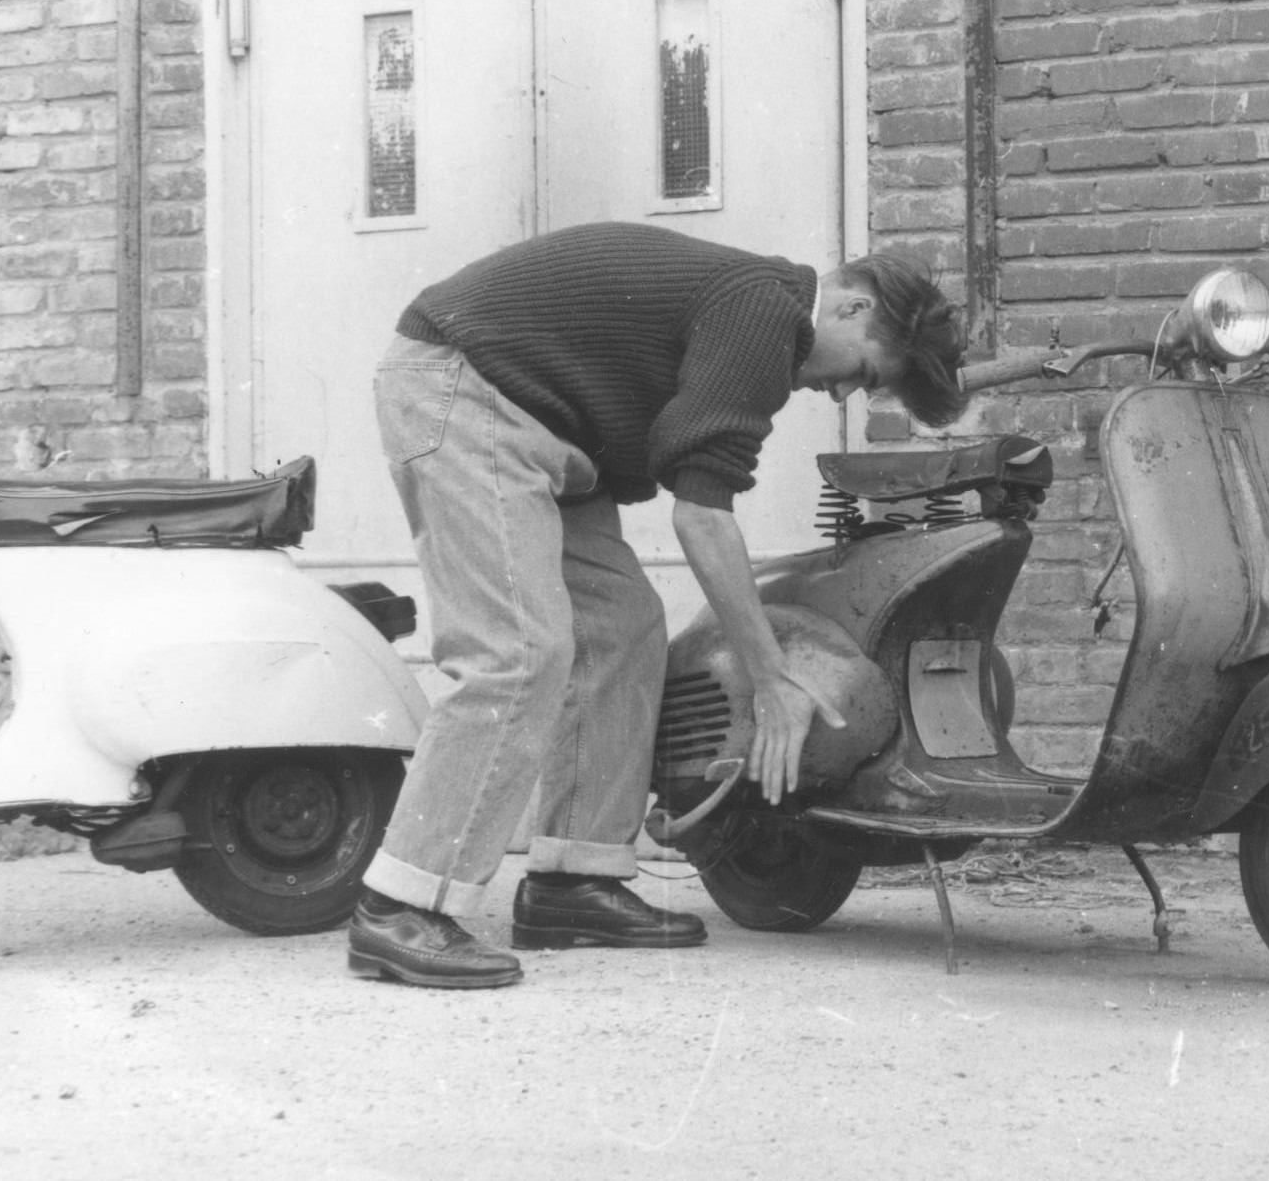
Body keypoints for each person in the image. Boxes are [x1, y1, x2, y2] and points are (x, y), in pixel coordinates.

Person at [345, 220, 967, 989]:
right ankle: (401, 905)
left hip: (540, 421)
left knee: (622, 626)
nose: (842, 393)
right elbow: (701, 517)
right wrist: (770, 676)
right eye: (865, 373)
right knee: (516, 651)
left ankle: (573, 881)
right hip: (466, 391)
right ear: (852, 308)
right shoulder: (764, 314)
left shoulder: (764, 315)